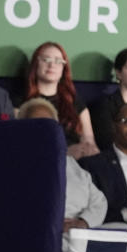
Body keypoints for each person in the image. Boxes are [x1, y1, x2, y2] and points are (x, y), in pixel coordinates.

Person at [16, 98, 107, 233]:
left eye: (49, 124)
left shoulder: (70, 163)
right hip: (44, 234)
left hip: (81, 231)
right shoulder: (16, 165)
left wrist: (83, 222)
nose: (43, 129)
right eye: (36, 123)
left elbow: (99, 201)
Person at [21, 41, 98, 158]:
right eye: (46, 60)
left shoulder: (75, 101)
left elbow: (89, 142)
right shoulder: (21, 100)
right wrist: (65, 153)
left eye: (58, 61)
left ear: (64, 68)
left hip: (76, 164)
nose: (52, 65)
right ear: (35, 64)